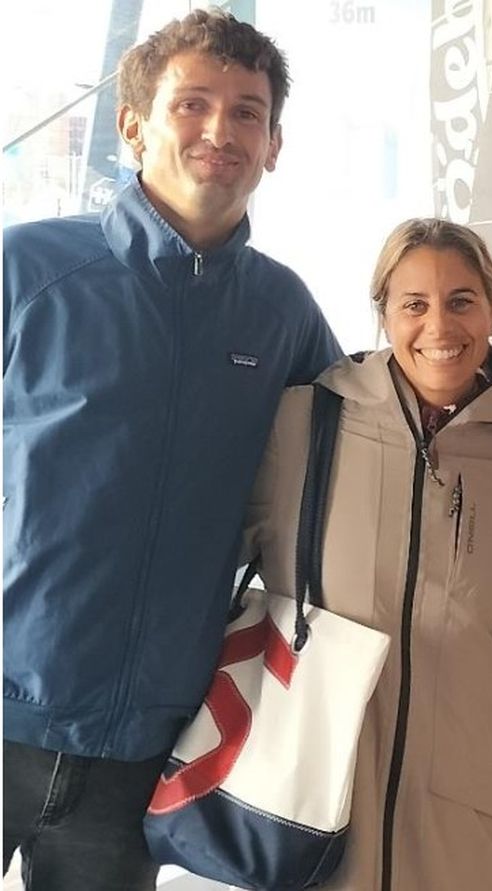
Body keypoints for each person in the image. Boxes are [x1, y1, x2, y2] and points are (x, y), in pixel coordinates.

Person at [2, 11, 340, 889]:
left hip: (142, 748)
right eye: (192, 103)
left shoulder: (284, 314)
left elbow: (384, 425)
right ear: (133, 124)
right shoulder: (27, 274)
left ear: (274, 145)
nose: (220, 130)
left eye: (248, 112)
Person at [239, 219, 492, 890]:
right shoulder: (299, 424)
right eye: (415, 304)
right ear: (383, 314)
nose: (441, 324)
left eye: (462, 300)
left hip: (467, 804)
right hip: (321, 794)